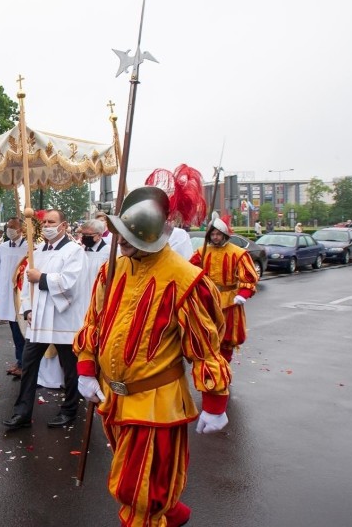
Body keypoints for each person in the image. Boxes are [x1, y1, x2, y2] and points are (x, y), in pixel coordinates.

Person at [74, 186, 231, 527]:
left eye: (127, 235)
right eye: (118, 231)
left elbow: (206, 348)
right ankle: (171, 513)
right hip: (113, 399)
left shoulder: (184, 279)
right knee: (137, 475)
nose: (119, 239)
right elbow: (94, 322)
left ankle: (157, 514)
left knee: (138, 491)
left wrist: (215, 402)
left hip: (157, 403)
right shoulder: (112, 270)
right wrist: (86, 369)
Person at [2, 209, 90, 430]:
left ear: (64, 225)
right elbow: (26, 284)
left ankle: (69, 410)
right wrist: (28, 309)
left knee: (69, 368)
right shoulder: (37, 251)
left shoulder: (74, 251)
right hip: (39, 320)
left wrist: (41, 278)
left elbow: (71, 282)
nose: (48, 225)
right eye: (45, 222)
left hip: (63, 319)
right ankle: (22, 413)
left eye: (52, 222)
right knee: (29, 365)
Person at [190, 216, 259, 363]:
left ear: (224, 235)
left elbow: (249, 277)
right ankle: (211, 366)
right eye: (213, 234)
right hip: (207, 298)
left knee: (227, 336)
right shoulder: (201, 252)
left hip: (229, 300)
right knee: (207, 333)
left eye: (218, 234)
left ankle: (224, 365)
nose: (215, 237)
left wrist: (243, 294)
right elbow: (190, 272)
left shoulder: (238, 253)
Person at [0, 218, 27, 377]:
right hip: (7, 294)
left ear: (21, 229)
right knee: (14, 330)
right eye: (8, 227)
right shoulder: (3, 247)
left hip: (22, 295)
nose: (9, 230)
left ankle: (26, 364)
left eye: (13, 227)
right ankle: (19, 361)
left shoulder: (29, 247)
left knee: (23, 330)